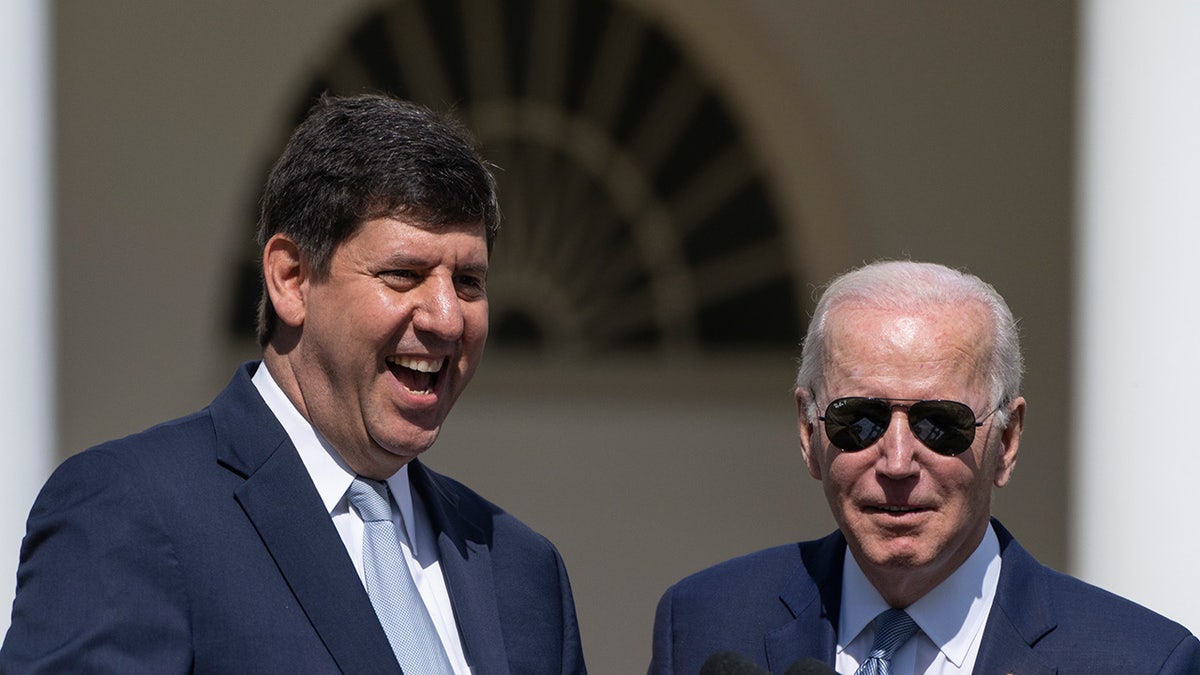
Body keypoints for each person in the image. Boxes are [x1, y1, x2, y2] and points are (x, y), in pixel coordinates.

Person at [1, 94, 586, 674]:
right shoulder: (131, 512)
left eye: (468, 282)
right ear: (291, 279)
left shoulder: (521, 570)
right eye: (403, 275)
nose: (447, 318)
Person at [649, 260, 1199, 674]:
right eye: (859, 419)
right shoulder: (705, 623)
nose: (896, 460)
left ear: (1006, 441)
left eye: (940, 424)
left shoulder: (1140, 662)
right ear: (807, 430)